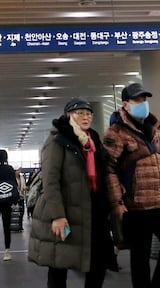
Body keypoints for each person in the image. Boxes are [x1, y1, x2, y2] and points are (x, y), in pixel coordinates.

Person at [102, 83, 160, 288]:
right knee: (140, 258)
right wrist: (117, 202)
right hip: (135, 206)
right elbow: (108, 169)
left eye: (144, 100)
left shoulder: (153, 129)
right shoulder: (116, 133)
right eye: (137, 100)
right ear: (126, 105)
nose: (143, 104)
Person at [28, 98, 112, 288]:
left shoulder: (94, 141)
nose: (85, 117)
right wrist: (57, 215)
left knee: (97, 265)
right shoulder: (57, 140)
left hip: (93, 212)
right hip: (67, 212)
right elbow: (50, 181)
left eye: (89, 113)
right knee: (60, 264)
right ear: (68, 116)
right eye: (80, 113)